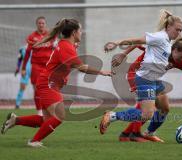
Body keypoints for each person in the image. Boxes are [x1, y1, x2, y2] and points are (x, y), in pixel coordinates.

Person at [1, 18, 113, 148]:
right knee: (60, 116)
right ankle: (33, 141)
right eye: (80, 30)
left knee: (46, 120)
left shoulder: (67, 45)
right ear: (74, 33)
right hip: (48, 84)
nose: (81, 33)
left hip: (48, 82)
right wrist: (102, 72)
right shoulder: (66, 47)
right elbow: (82, 67)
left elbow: (64, 64)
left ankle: (16, 120)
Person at [100, 13, 182, 143]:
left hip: (155, 80)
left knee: (164, 108)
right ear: (168, 27)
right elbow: (137, 41)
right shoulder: (159, 38)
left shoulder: (170, 42)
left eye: (181, 30)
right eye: (177, 29)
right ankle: (112, 116)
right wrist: (116, 44)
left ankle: (149, 133)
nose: (179, 33)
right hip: (144, 78)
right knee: (147, 113)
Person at [21, 16, 52, 115]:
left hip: (48, 66)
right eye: (39, 23)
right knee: (37, 89)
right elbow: (27, 53)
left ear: (45, 24)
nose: (41, 25)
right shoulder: (32, 37)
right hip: (36, 66)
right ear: (37, 24)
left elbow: (56, 49)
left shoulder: (51, 36)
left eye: (43, 23)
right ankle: (39, 111)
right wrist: (23, 68)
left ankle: (47, 108)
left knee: (48, 89)